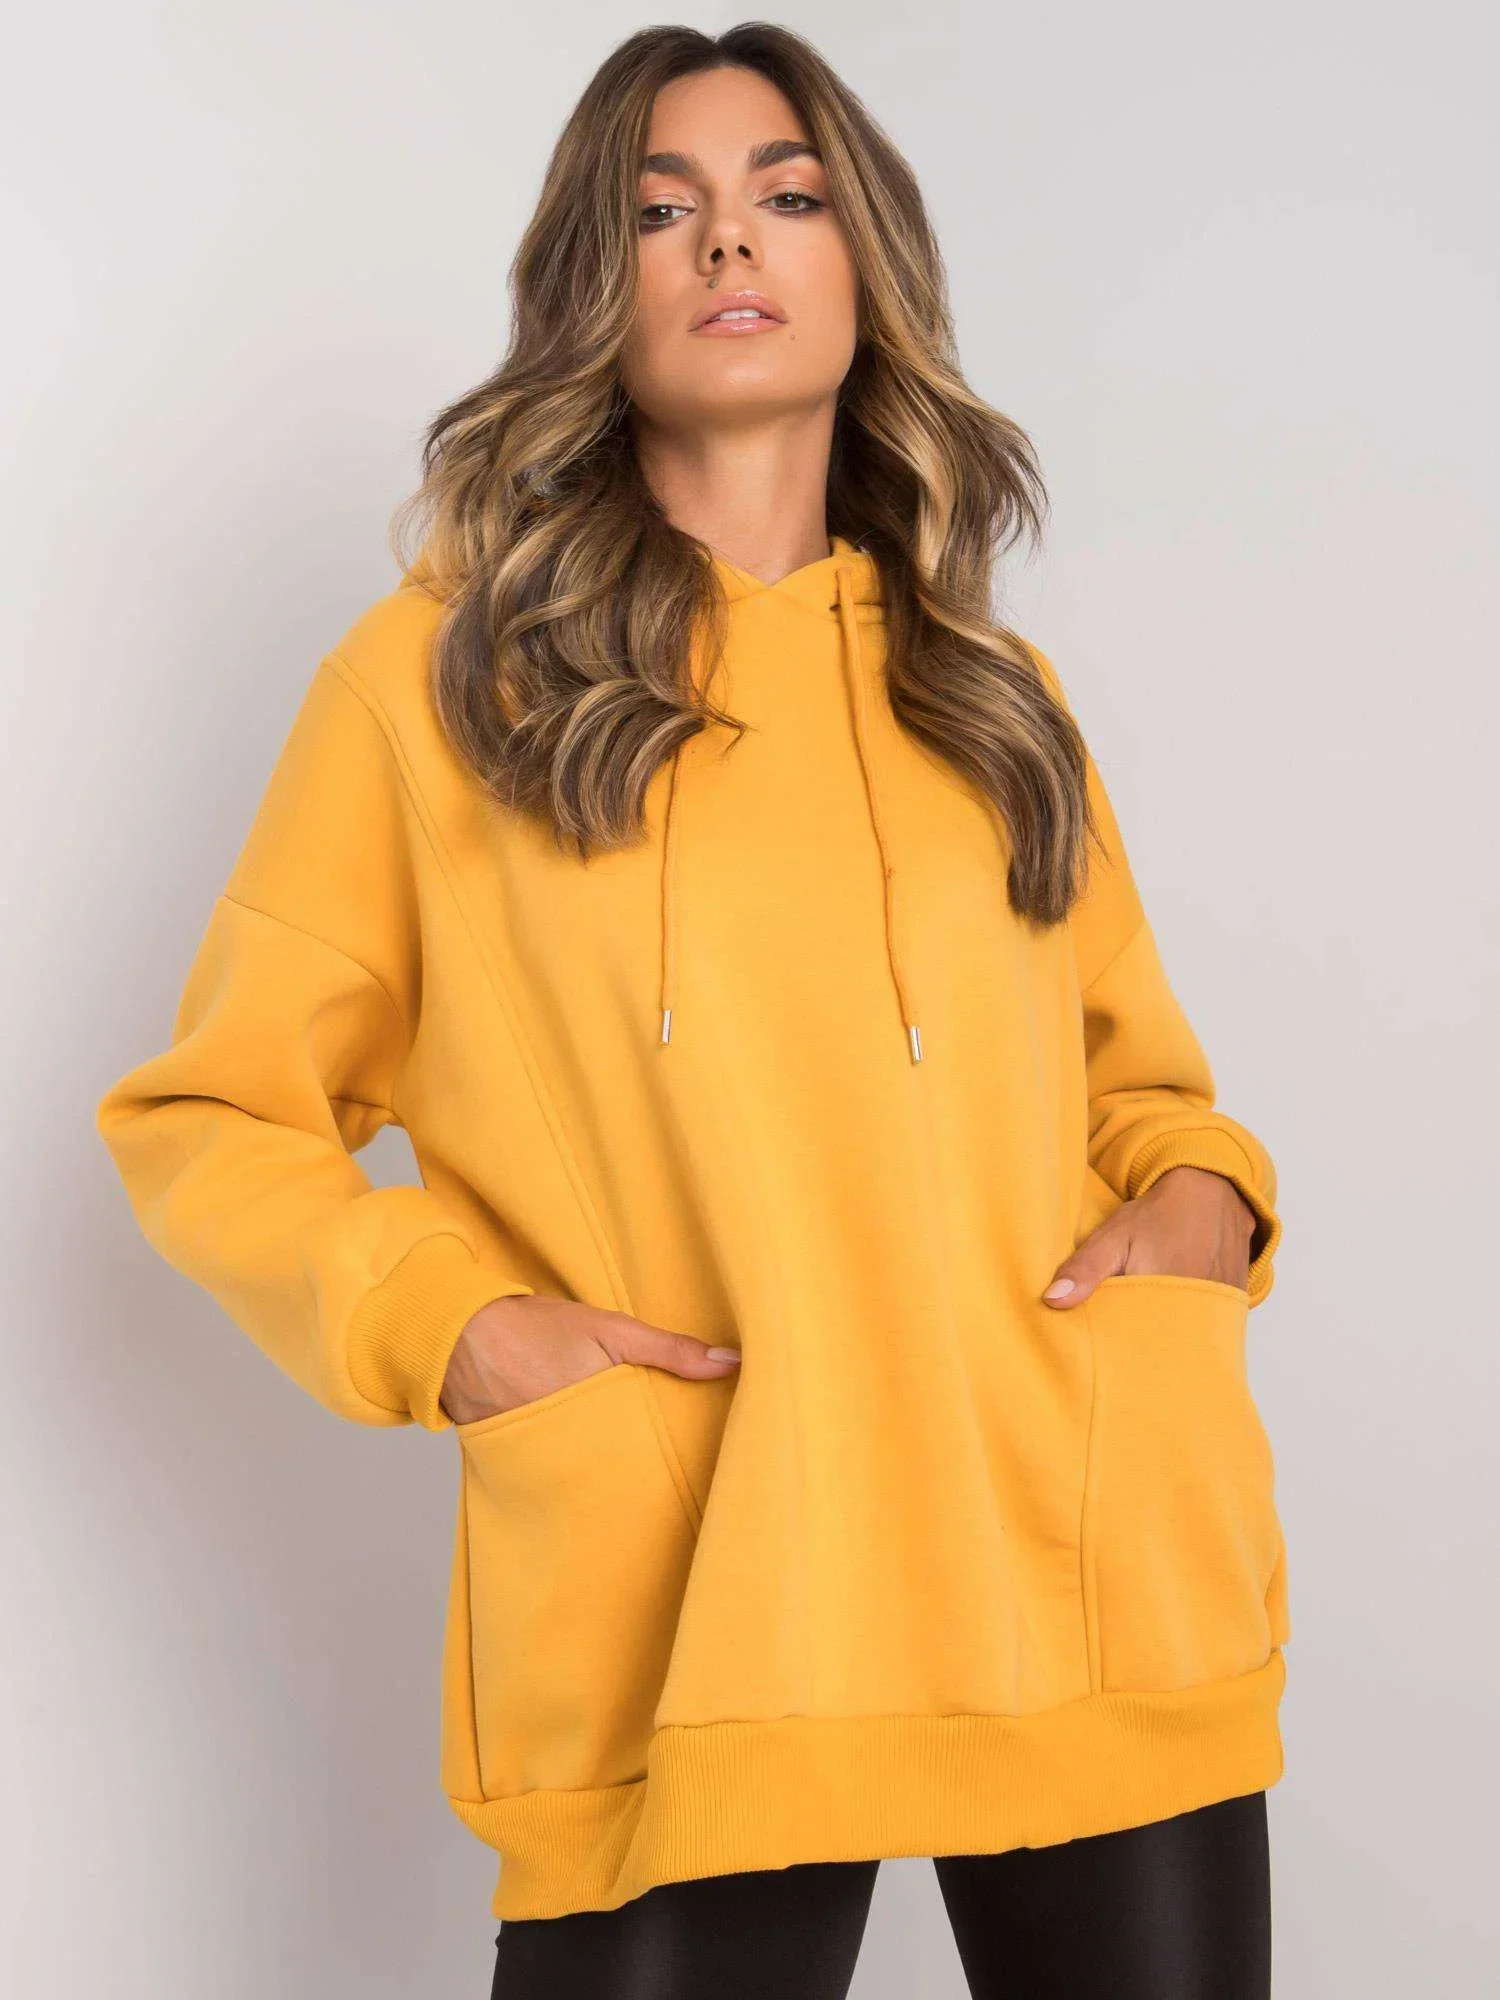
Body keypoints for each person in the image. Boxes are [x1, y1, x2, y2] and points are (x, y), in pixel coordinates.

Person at [95, 21, 1290, 1999]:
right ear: (597, 284)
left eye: (786, 195)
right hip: (699, 1602)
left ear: (864, 265)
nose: (729, 240)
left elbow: (1139, 1089)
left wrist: (1207, 1203)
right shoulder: (438, 686)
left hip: (1085, 1575)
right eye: (663, 211)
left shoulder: (995, 700)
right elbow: (211, 1119)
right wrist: (454, 1328)